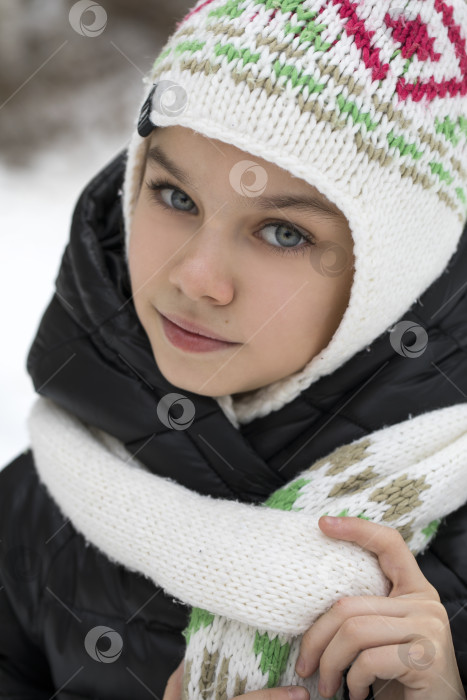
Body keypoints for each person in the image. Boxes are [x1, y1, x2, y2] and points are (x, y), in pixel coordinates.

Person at [1, 0, 467, 699]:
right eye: (174, 196)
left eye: (283, 232)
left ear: (393, 270)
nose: (195, 278)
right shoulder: (34, 514)